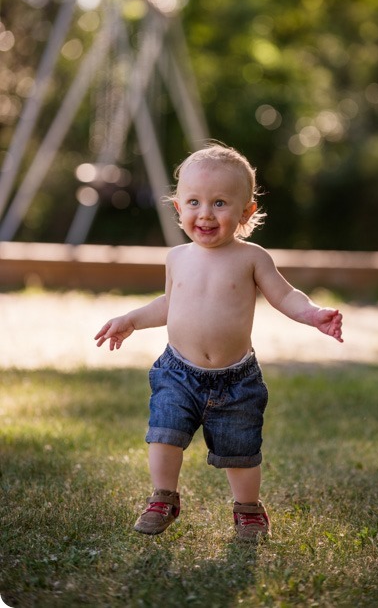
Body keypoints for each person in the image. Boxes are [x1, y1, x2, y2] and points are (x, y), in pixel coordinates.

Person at [95, 143, 343, 541]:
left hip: (236, 380)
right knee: (164, 433)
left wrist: (313, 314)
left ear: (247, 213)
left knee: (240, 450)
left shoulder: (251, 258)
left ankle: (247, 508)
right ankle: (163, 497)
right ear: (178, 208)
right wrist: (131, 320)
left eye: (220, 203)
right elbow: (169, 305)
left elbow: (285, 295)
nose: (205, 213)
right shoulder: (177, 257)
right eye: (193, 201)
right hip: (177, 371)